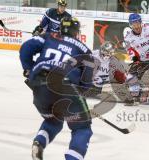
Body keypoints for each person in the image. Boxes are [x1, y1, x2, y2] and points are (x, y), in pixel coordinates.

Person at [20, 17, 94, 160]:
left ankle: (39, 143)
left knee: (53, 121)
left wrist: (29, 70)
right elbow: (87, 79)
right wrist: (81, 94)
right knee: (82, 128)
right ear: (76, 32)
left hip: (40, 87)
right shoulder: (84, 49)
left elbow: (26, 48)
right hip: (66, 88)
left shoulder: (48, 37)